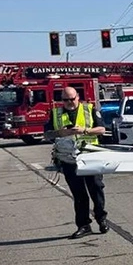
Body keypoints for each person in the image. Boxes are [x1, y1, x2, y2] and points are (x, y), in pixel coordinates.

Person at [43, 87, 108, 238]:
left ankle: (101, 219)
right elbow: (46, 134)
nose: (70, 102)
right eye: (66, 100)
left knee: (96, 189)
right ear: (62, 100)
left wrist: (85, 130)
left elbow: (102, 129)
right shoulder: (55, 113)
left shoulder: (89, 109)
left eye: (72, 99)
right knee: (79, 194)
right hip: (69, 159)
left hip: (90, 157)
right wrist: (61, 133)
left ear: (78, 97)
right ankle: (84, 225)